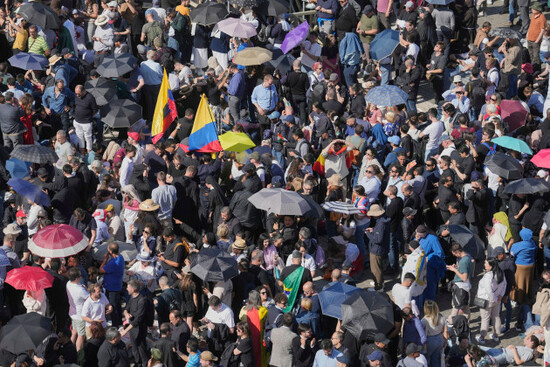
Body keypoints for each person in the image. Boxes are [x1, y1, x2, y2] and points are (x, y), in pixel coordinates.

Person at [475, 258, 507, 344]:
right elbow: (504, 285)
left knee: (485, 319)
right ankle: (496, 335)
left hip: (487, 300)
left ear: (491, 266)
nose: (484, 265)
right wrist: (500, 296)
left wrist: (494, 299)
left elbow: (488, 290)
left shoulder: (488, 276)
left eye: (486, 264)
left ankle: (482, 337)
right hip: (497, 299)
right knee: (496, 317)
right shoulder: (501, 273)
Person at [99, 242, 125, 327]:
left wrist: (105, 259)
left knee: (112, 307)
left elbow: (101, 270)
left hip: (112, 288)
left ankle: (115, 325)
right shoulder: (120, 257)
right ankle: (119, 322)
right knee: (117, 305)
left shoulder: (113, 263)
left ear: (110, 251)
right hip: (117, 286)